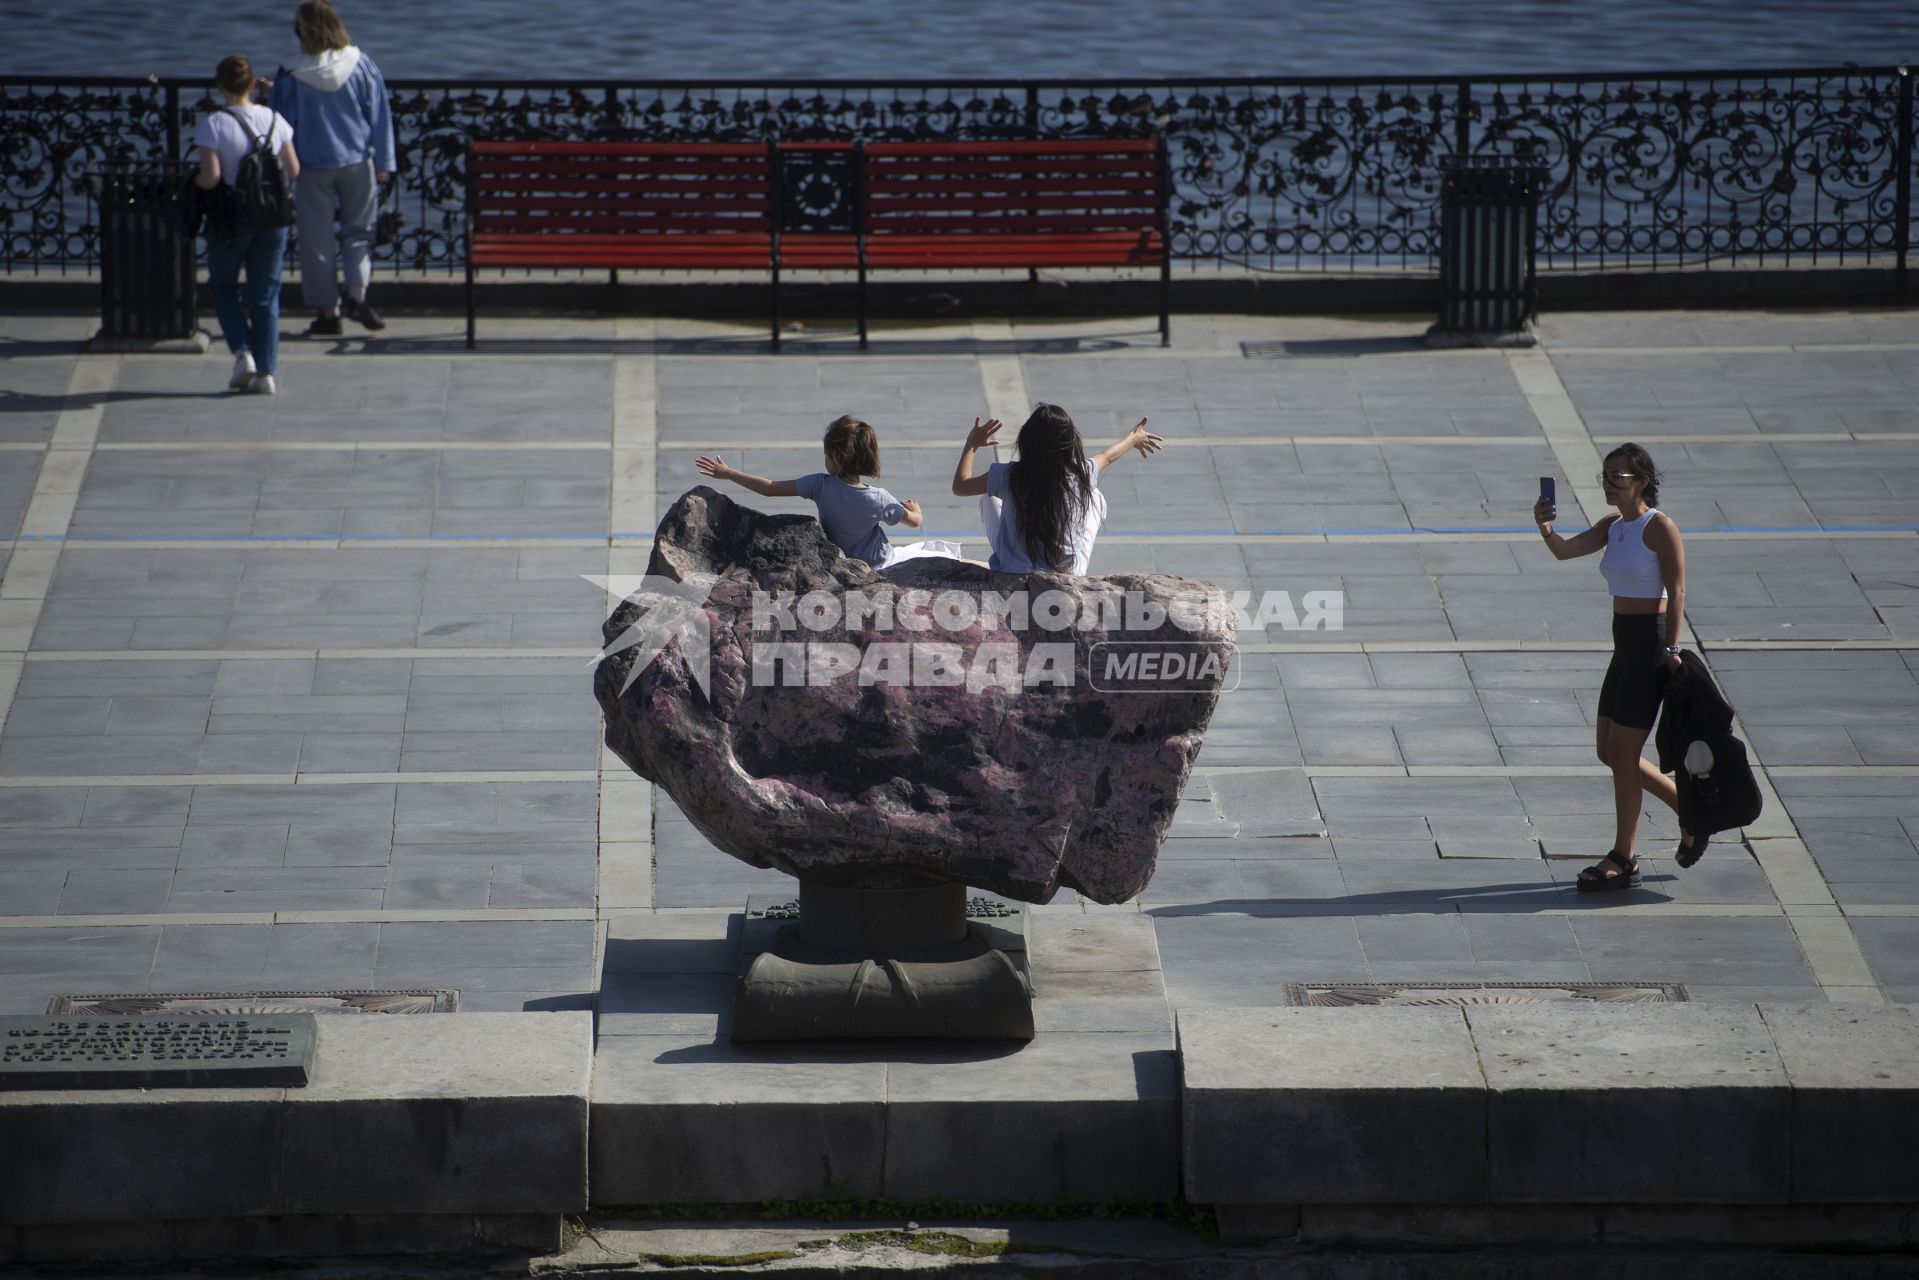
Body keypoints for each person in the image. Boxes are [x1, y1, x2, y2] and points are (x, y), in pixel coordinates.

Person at [1533, 443, 1697, 891]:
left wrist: (1672, 648)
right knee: (1608, 751)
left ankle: (1624, 857)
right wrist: (1546, 527)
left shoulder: (1658, 527)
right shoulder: (1614, 526)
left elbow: (1678, 590)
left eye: (1617, 476)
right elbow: (1566, 552)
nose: (1608, 483)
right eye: (1605, 476)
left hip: (1649, 647)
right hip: (1623, 647)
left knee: (1623, 755)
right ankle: (1693, 812)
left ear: (1641, 480)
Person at [267, 0, 395, 336]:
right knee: (359, 233)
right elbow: (379, 115)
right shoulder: (360, 63)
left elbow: (280, 123)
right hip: (356, 161)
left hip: (311, 167)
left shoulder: (291, 74)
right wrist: (385, 161)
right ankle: (357, 295)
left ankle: (328, 312)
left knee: (316, 241)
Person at [695, 416, 958, 568]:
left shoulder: (820, 485)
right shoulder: (879, 498)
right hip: (879, 563)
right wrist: (916, 510)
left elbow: (771, 489)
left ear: (836, 456)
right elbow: (914, 523)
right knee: (936, 553)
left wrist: (729, 473)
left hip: (841, 560)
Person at [194, 54, 299, 396]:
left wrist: (191, 185)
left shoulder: (214, 123)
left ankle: (243, 353)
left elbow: (211, 179)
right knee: (265, 295)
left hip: (232, 217)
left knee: (224, 286)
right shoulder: (274, 119)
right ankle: (267, 373)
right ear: (253, 84)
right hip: (273, 218)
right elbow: (293, 170)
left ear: (220, 87)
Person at [950, 404, 1161, 575]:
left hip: (1013, 572)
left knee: (990, 496)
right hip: (1068, 573)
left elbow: (960, 486)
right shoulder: (1081, 472)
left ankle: (1009, 557)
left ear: (1026, 440)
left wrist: (972, 444)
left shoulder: (1008, 474)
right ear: (1070, 443)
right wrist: (1134, 437)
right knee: (1093, 496)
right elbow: (1108, 456)